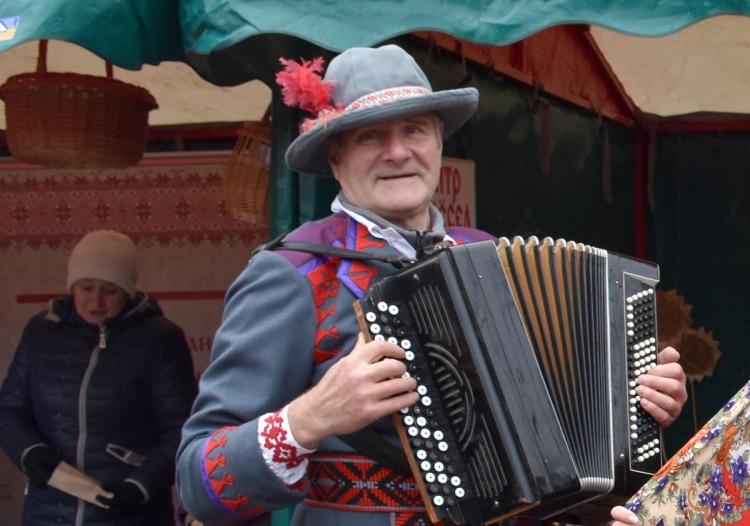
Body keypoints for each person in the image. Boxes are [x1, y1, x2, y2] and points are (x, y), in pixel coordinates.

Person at [175, 45, 687, 526]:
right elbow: (196, 479)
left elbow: (556, 422)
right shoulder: (292, 273)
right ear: (335, 157)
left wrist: (636, 402)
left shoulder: (485, 253)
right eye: (370, 136)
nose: (398, 152)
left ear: (438, 142)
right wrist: (310, 415)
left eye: (415, 130)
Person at [0, 230, 198, 526]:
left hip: (129, 514)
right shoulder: (41, 331)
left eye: (110, 290)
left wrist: (140, 486)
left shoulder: (160, 339)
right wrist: (30, 452)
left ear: (128, 291)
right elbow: (10, 411)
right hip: (49, 513)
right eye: (86, 287)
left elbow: (183, 430)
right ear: (72, 286)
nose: (96, 301)